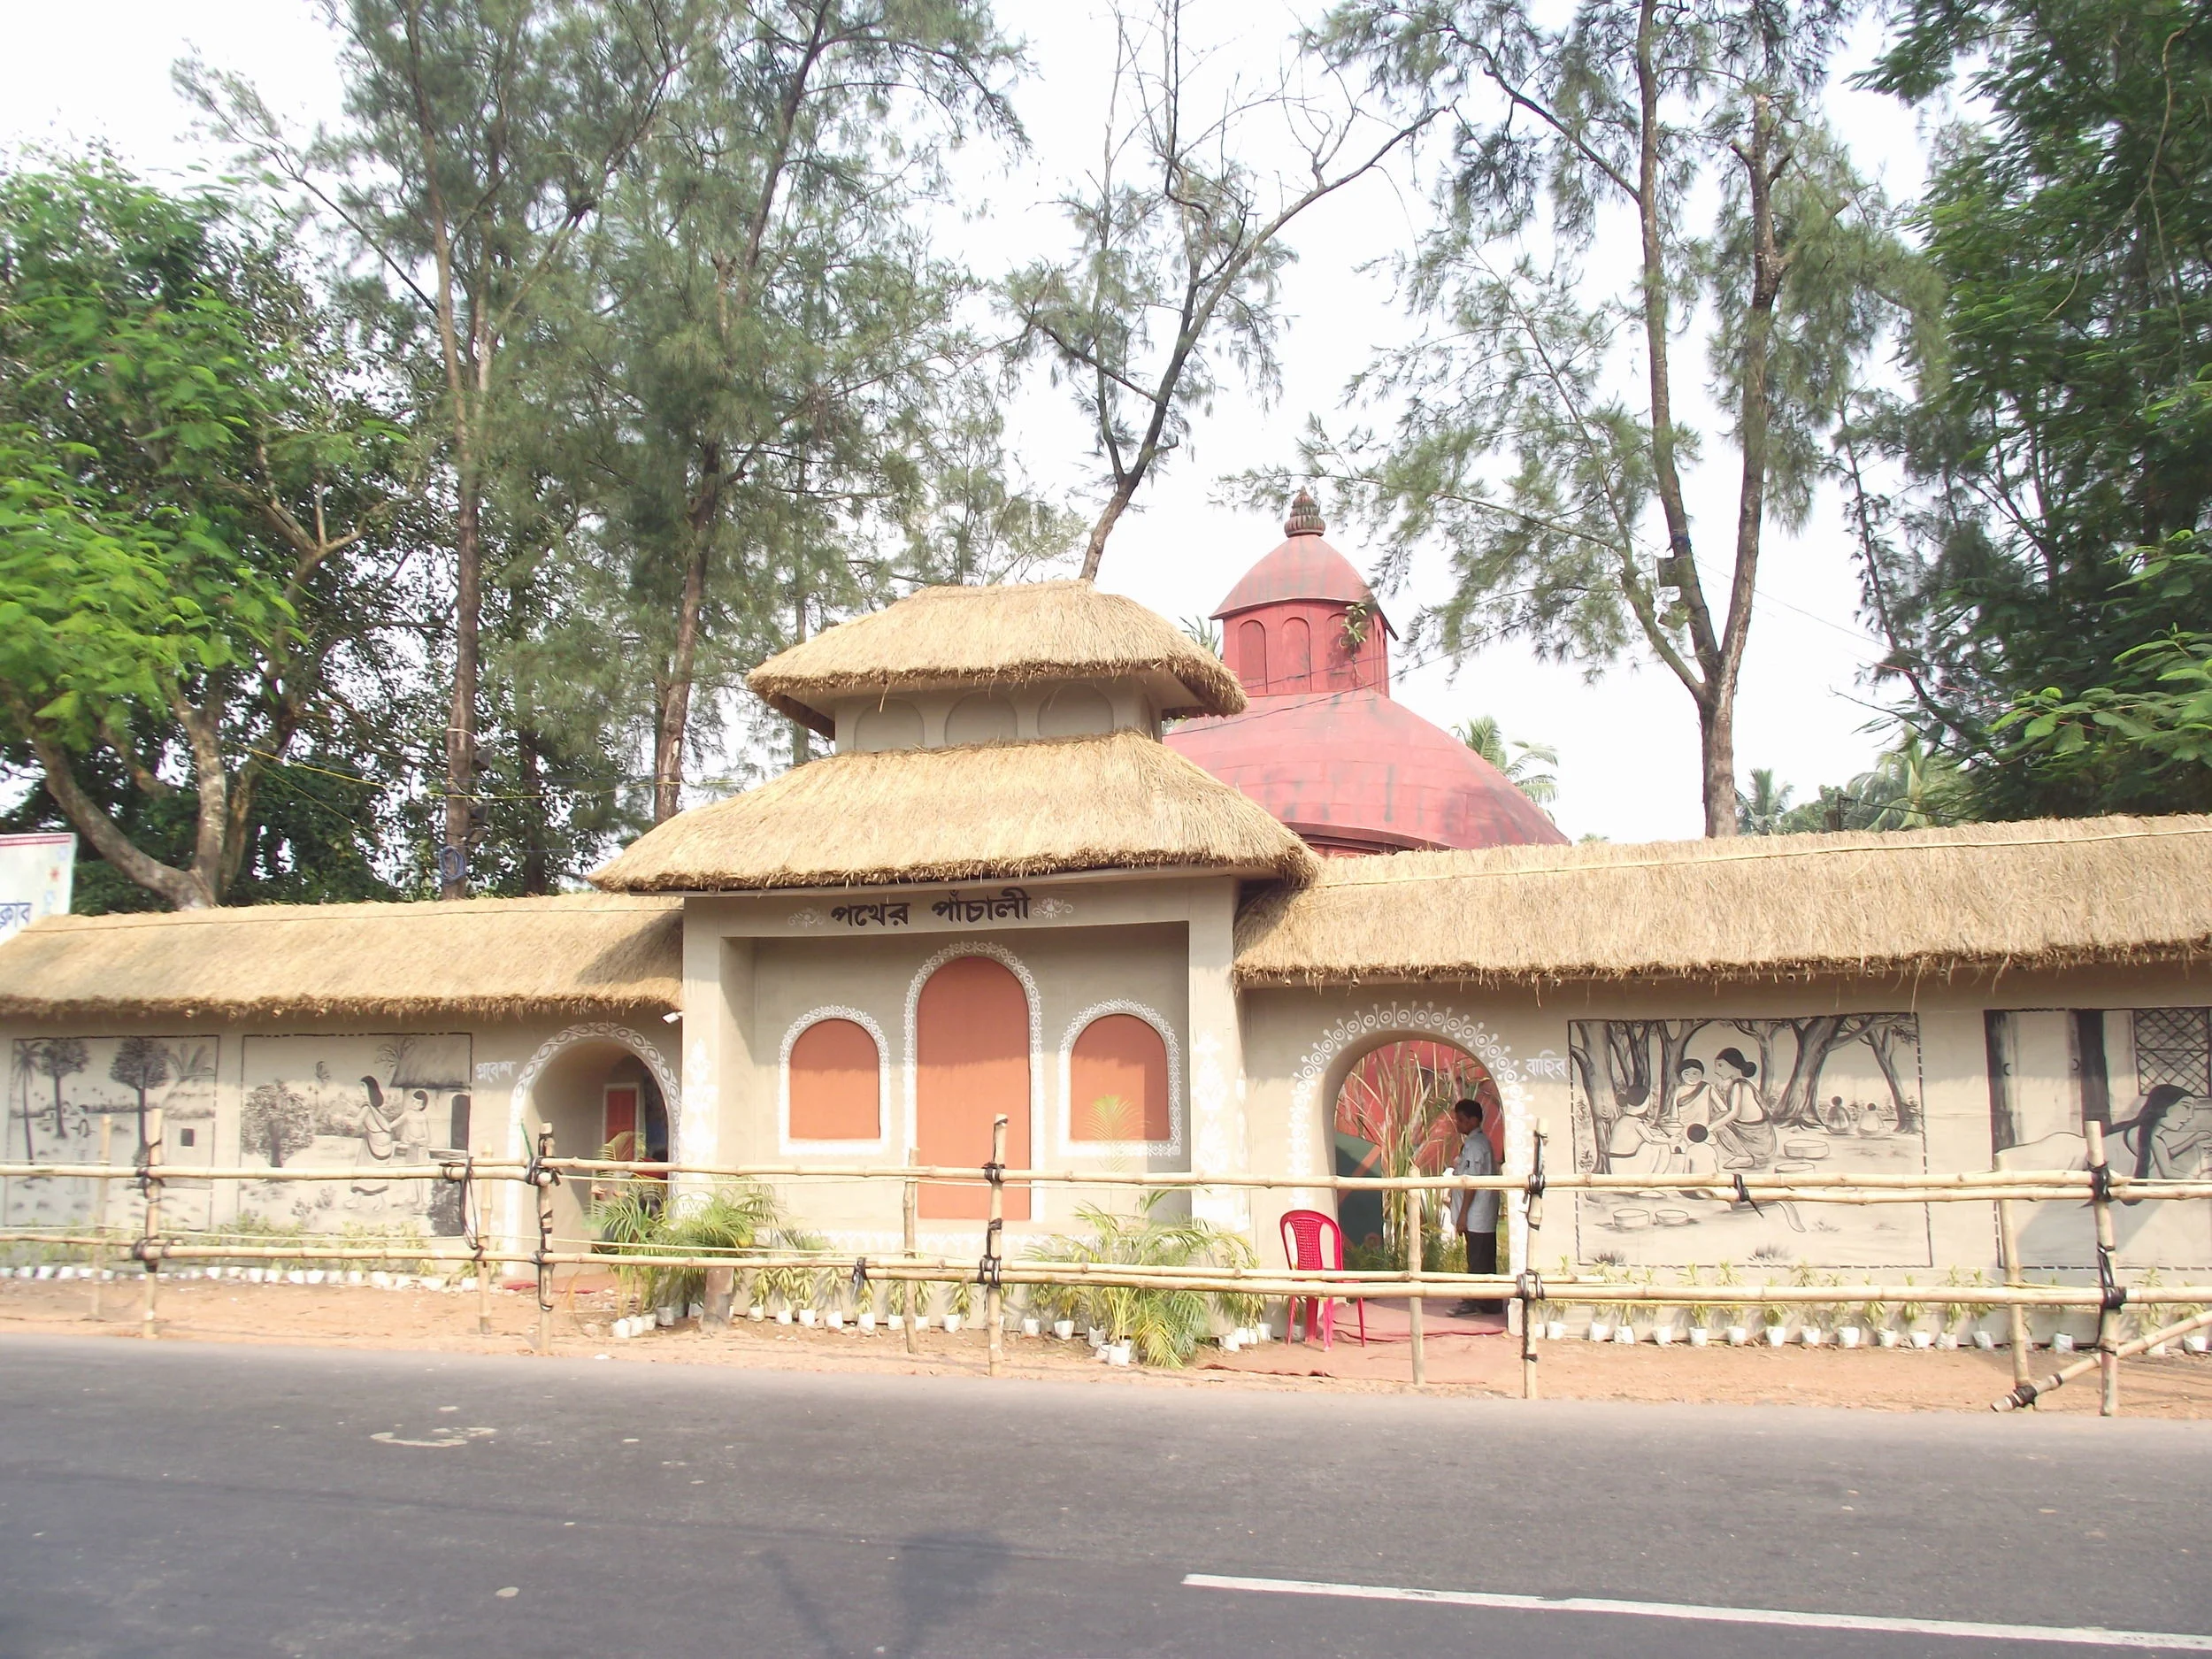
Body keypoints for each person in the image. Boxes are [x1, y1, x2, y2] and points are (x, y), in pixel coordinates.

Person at [1446, 1097, 1504, 1317]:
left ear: (1472, 1121)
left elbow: (1471, 1182)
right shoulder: (1475, 1144)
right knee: (1483, 1257)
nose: (1458, 1125)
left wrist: (1463, 1216)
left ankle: (1474, 1300)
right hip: (1478, 1213)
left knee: (1478, 1259)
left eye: (1461, 1120)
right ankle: (1489, 1302)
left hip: (1476, 1213)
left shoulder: (1476, 1145)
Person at [1708, 1048, 1776, 1170]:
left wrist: (1710, 1128)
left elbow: (1734, 1113)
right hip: (1756, 1135)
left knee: (1717, 1124)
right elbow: (1726, 1111)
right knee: (1718, 1117)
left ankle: (1744, 1157)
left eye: (1720, 1065)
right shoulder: (1741, 1084)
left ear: (1732, 1064)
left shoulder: (1739, 1085)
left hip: (1757, 1138)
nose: (1716, 1071)